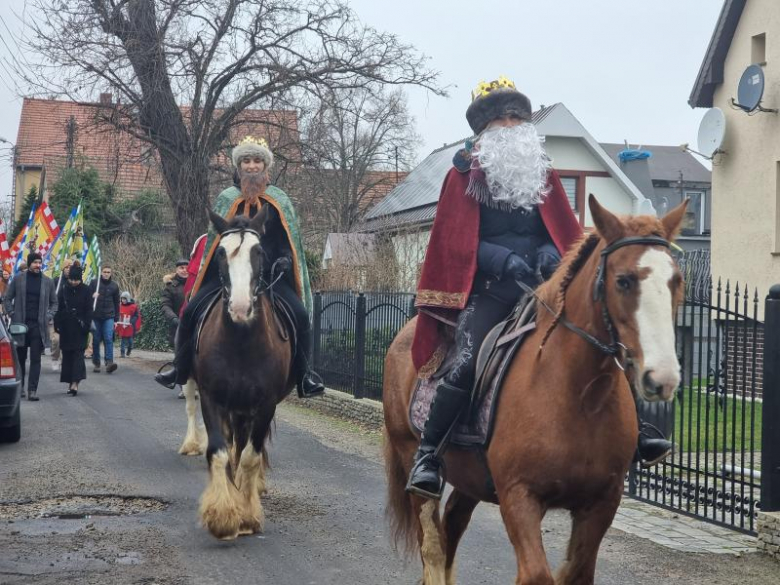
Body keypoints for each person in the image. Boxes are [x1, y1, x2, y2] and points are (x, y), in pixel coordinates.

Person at [406, 77, 672, 499]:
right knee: (469, 360)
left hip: (543, 285)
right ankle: (429, 454)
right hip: (491, 289)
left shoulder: (541, 169)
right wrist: (503, 259)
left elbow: (557, 225)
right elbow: (458, 240)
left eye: (515, 116)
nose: (509, 125)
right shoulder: (463, 172)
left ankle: (638, 432)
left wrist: (553, 254)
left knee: (601, 342)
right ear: (484, 128)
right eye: (499, 118)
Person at [155, 135, 325, 399]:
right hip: (228, 277)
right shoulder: (226, 199)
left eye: (257, 160)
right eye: (246, 160)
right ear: (238, 166)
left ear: (265, 166)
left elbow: (288, 242)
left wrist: (284, 259)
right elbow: (215, 244)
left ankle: (305, 376)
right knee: (189, 313)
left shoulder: (280, 200)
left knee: (301, 316)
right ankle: (180, 367)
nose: (252, 166)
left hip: (269, 277)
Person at [3, 252, 57, 401]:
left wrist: (49, 315)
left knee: (35, 359)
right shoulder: (19, 279)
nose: (38, 265)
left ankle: (32, 390)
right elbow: (7, 298)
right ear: (29, 264)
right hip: (20, 325)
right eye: (35, 263)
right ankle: (20, 388)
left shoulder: (48, 281)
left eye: (40, 263)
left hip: (38, 326)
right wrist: (12, 313)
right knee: (20, 358)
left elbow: (54, 302)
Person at [54, 264, 92, 396]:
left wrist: (86, 325)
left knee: (78, 355)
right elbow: (58, 308)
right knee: (68, 356)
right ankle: (70, 381)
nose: (74, 282)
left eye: (77, 280)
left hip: (80, 328)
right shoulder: (63, 289)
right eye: (72, 279)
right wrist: (57, 324)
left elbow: (89, 309)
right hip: (66, 327)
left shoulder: (86, 290)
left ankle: (75, 383)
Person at [160, 258, 188, 398]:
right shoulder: (171, 287)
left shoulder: (197, 284)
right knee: (180, 357)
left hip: (195, 324)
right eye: (181, 268)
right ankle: (184, 387)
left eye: (186, 267)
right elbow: (165, 305)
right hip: (177, 326)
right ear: (176, 270)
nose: (184, 270)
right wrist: (174, 319)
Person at [89, 265, 120, 373]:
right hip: (96, 316)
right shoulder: (94, 283)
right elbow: (86, 297)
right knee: (96, 340)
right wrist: (92, 295)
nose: (106, 273)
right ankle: (97, 362)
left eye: (108, 272)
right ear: (101, 272)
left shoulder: (114, 286)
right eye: (105, 272)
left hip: (109, 316)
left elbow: (117, 303)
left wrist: (116, 319)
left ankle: (109, 362)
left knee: (108, 338)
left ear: (111, 273)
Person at [49, 258, 74, 373]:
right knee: (56, 340)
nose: (69, 270)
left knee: (68, 339)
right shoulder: (56, 281)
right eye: (67, 267)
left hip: (69, 316)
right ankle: (55, 358)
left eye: (71, 267)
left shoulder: (75, 282)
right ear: (63, 269)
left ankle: (66, 360)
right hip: (55, 314)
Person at [116, 291, 141, 358]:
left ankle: (129, 350)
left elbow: (136, 315)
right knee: (123, 341)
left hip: (130, 327)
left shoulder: (133, 306)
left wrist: (132, 321)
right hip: (123, 326)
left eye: (124, 299)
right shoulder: (120, 306)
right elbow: (118, 315)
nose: (123, 300)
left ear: (128, 299)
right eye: (122, 299)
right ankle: (122, 353)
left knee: (130, 342)